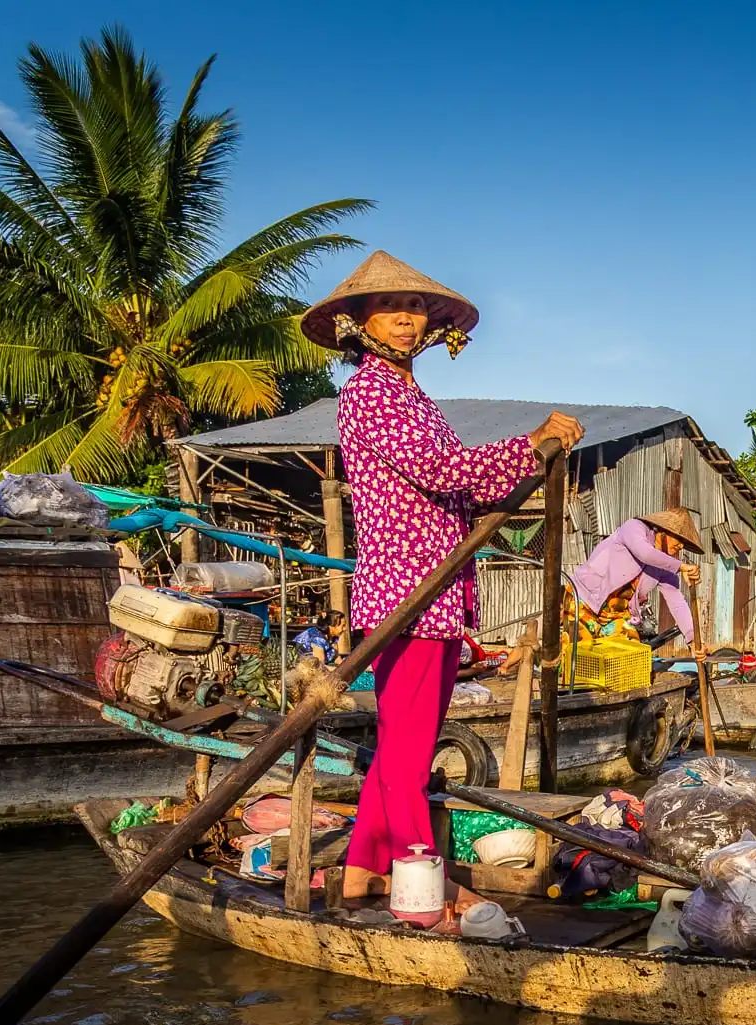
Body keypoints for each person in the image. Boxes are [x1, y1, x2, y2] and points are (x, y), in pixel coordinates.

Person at [302, 250, 584, 911]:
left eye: (417, 309)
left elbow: (452, 481)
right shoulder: (370, 392)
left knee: (405, 743)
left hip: (436, 590)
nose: (407, 319)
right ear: (358, 324)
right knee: (405, 751)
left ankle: (364, 870)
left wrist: (528, 459)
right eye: (391, 308)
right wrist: (530, 442)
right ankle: (423, 887)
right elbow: (440, 471)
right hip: (409, 591)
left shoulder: (410, 395)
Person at [567, 509, 704, 645]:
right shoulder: (635, 527)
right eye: (679, 539)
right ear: (664, 531)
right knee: (578, 657)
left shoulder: (665, 565)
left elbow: (677, 603)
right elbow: (645, 553)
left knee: (631, 653)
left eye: (684, 543)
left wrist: (692, 640)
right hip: (583, 600)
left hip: (616, 615)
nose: (681, 546)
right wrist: (681, 566)